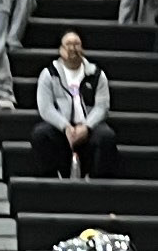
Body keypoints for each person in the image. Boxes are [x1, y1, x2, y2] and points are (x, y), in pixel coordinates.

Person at [31, 27, 117, 178]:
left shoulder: (97, 74)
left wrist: (87, 127)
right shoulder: (49, 74)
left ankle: (98, 182)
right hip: (61, 128)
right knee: (40, 134)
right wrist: (65, 127)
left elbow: (102, 107)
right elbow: (45, 108)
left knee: (107, 136)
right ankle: (50, 179)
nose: (73, 49)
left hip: (88, 126)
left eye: (76, 44)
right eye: (68, 44)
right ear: (60, 49)